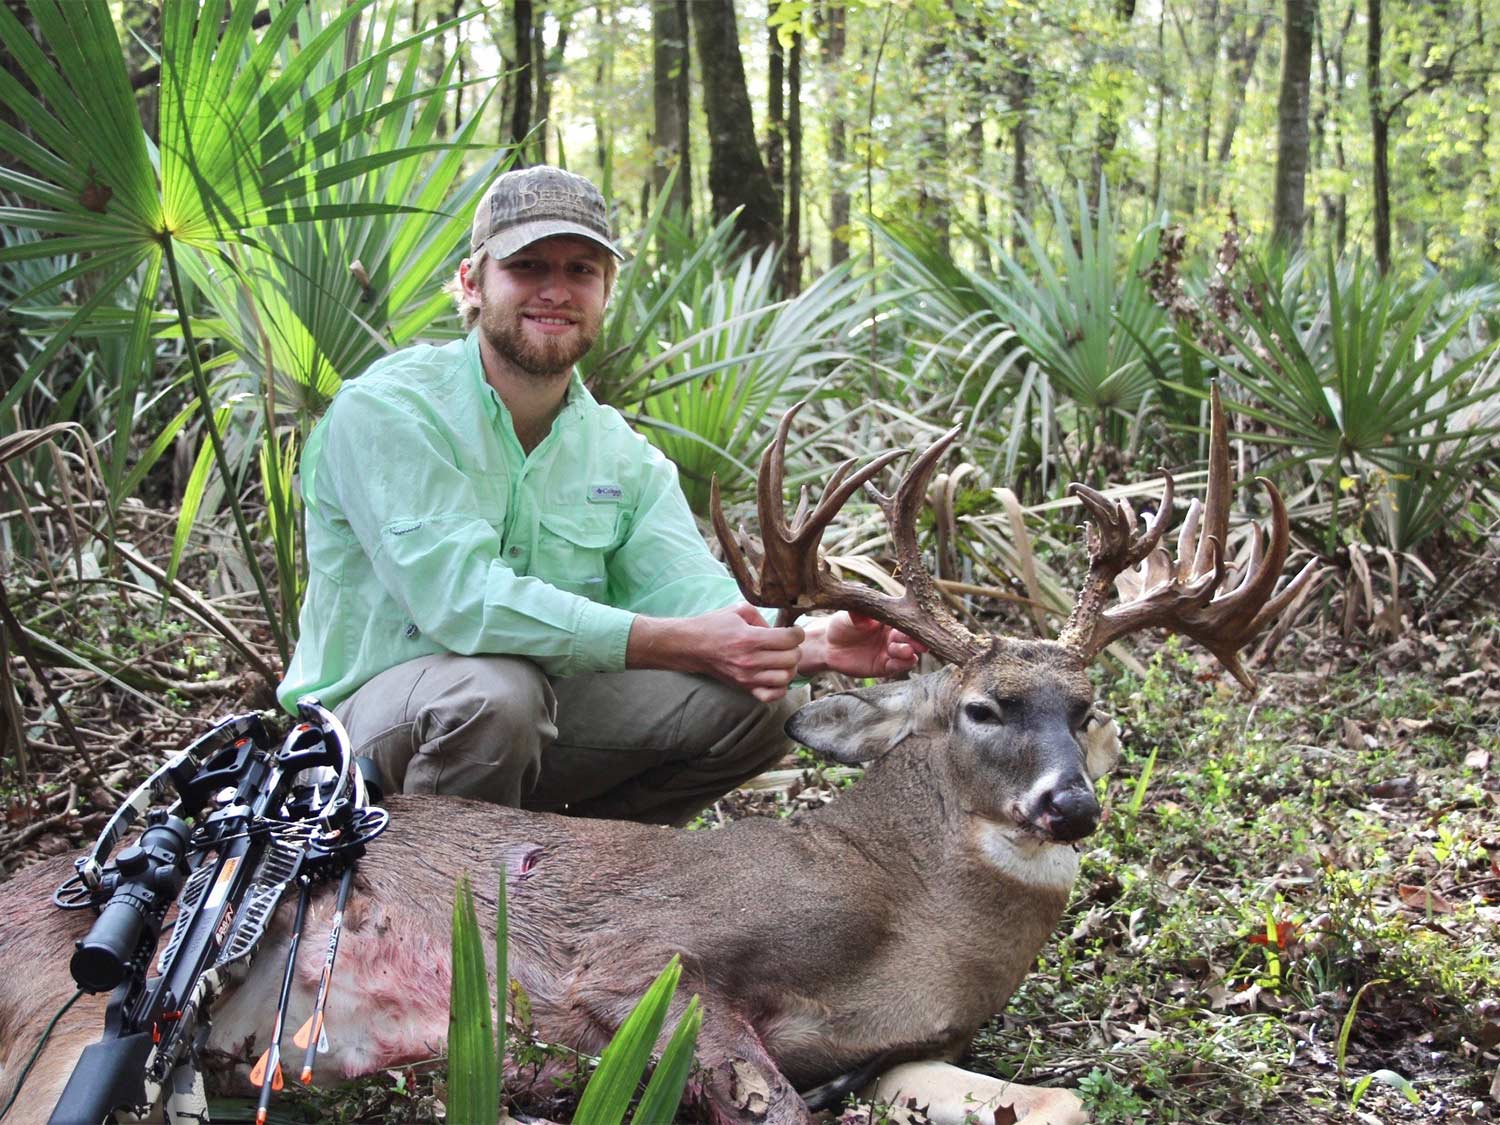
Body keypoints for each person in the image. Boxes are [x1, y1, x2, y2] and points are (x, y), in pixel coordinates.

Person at [278, 165, 919, 825]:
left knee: (759, 703)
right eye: (527, 266)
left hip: (530, 724)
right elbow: (462, 603)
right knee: (496, 693)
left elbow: (695, 600)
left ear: (606, 289)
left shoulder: (621, 456)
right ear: (473, 281)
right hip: (363, 738)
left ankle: (583, 875)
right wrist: (673, 642)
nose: (557, 290)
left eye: (582, 270)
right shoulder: (391, 410)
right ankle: (427, 898)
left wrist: (813, 642)